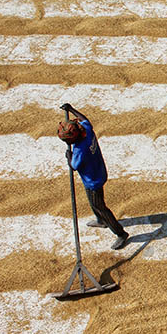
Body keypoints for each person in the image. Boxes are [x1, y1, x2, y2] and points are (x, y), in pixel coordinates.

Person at [57, 103, 129, 250]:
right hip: (99, 171)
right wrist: (71, 109)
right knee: (94, 202)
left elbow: (74, 166)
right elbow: (84, 118)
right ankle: (100, 220)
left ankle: (120, 233)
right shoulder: (87, 130)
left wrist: (68, 156)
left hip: (92, 181)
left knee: (99, 206)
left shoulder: (79, 150)